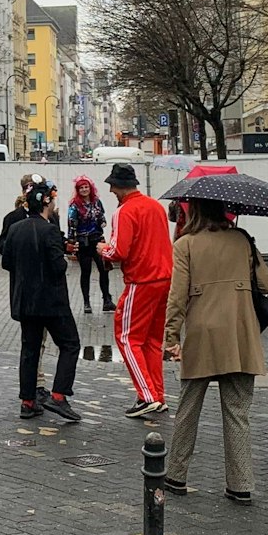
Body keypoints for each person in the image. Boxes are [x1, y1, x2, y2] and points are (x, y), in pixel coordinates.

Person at [162, 199, 268, 502]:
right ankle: (240, 484)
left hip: (202, 331)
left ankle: (176, 474)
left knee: (188, 407)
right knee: (238, 411)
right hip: (240, 331)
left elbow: (177, 295)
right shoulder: (242, 239)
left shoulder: (185, 244)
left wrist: (172, 335)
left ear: (193, 211)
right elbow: (266, 284)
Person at [1, 180, 81, 422]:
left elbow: (6, 263)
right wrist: (64, 255)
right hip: (51, 301)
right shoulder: (50, 230)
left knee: (30, 349)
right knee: (70, 344)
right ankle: (58, 395)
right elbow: (58, 267)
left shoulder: (16, 228)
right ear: (47, 202)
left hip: (26, 301)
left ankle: (27, 401)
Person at [99, 164, 174, 419]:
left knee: (127, 337)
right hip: (164, 277)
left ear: (119, 186)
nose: (110, 190)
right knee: (152, 340)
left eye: (112, 185)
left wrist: (101, 249)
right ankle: (157, 395)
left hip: (141, 280)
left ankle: (147, 396)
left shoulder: (125, 211)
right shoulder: (155, 206)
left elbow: (119, 251)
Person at [65, 175, 114, 313]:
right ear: (78, 190)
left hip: (97, 239)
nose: (84, 189)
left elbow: (102, 217)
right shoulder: (74, 205)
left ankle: (107, 300)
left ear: (90, 188)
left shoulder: (97, 202)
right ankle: (87, 302)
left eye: (86, 187)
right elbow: (71, 225)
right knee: (85, 272)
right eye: (81, 188)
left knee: (104, 269)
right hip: (83, 241)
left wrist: (102, 222)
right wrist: (71, 242)